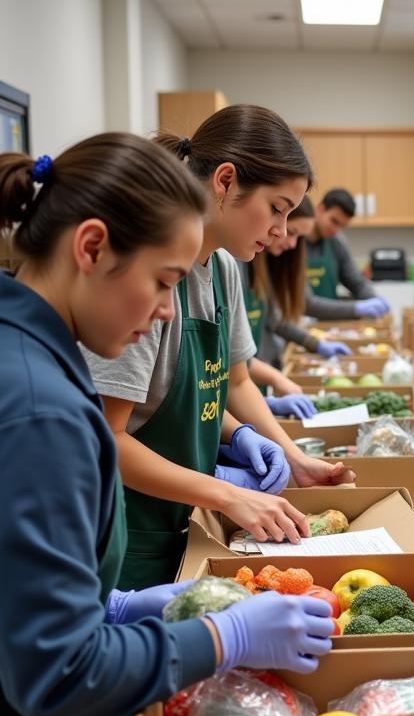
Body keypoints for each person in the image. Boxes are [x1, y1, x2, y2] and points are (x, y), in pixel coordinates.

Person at [0, 134, 335, 716]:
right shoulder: (43, 406)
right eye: (160, 284)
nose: (161, 314)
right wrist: (221, 636)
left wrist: (117, 605)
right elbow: (55, 673)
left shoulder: (33, 355)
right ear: (91, 248)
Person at [84, 104, 354, 591]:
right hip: (131, 529)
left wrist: (285, 453)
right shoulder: (150, 275)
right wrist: (227, 494)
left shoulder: (226, 268)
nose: (281, 231)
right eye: (276, 208)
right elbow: (110, 437)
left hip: (187, 521)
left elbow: (232, 382)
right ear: (225, 181)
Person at [237, 195, 351, 419]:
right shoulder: (235, 265)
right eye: (294, 232)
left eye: (300, 237)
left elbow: (274, 319)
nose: (291, 243)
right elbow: (229, 356)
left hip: (251, 383)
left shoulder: (263, 268)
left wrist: (315, 344)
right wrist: (275, 379)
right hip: (238, 386)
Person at [304, 187, 390, 319]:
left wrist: (373, 299)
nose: (336, 230)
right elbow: (307, 302)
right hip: (299, 324)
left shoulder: (336, 242)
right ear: (320, 209)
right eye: (334, 221)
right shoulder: (292, 242)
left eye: (342, 226)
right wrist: (357, 308)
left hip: (329, 323)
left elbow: (356, 282)